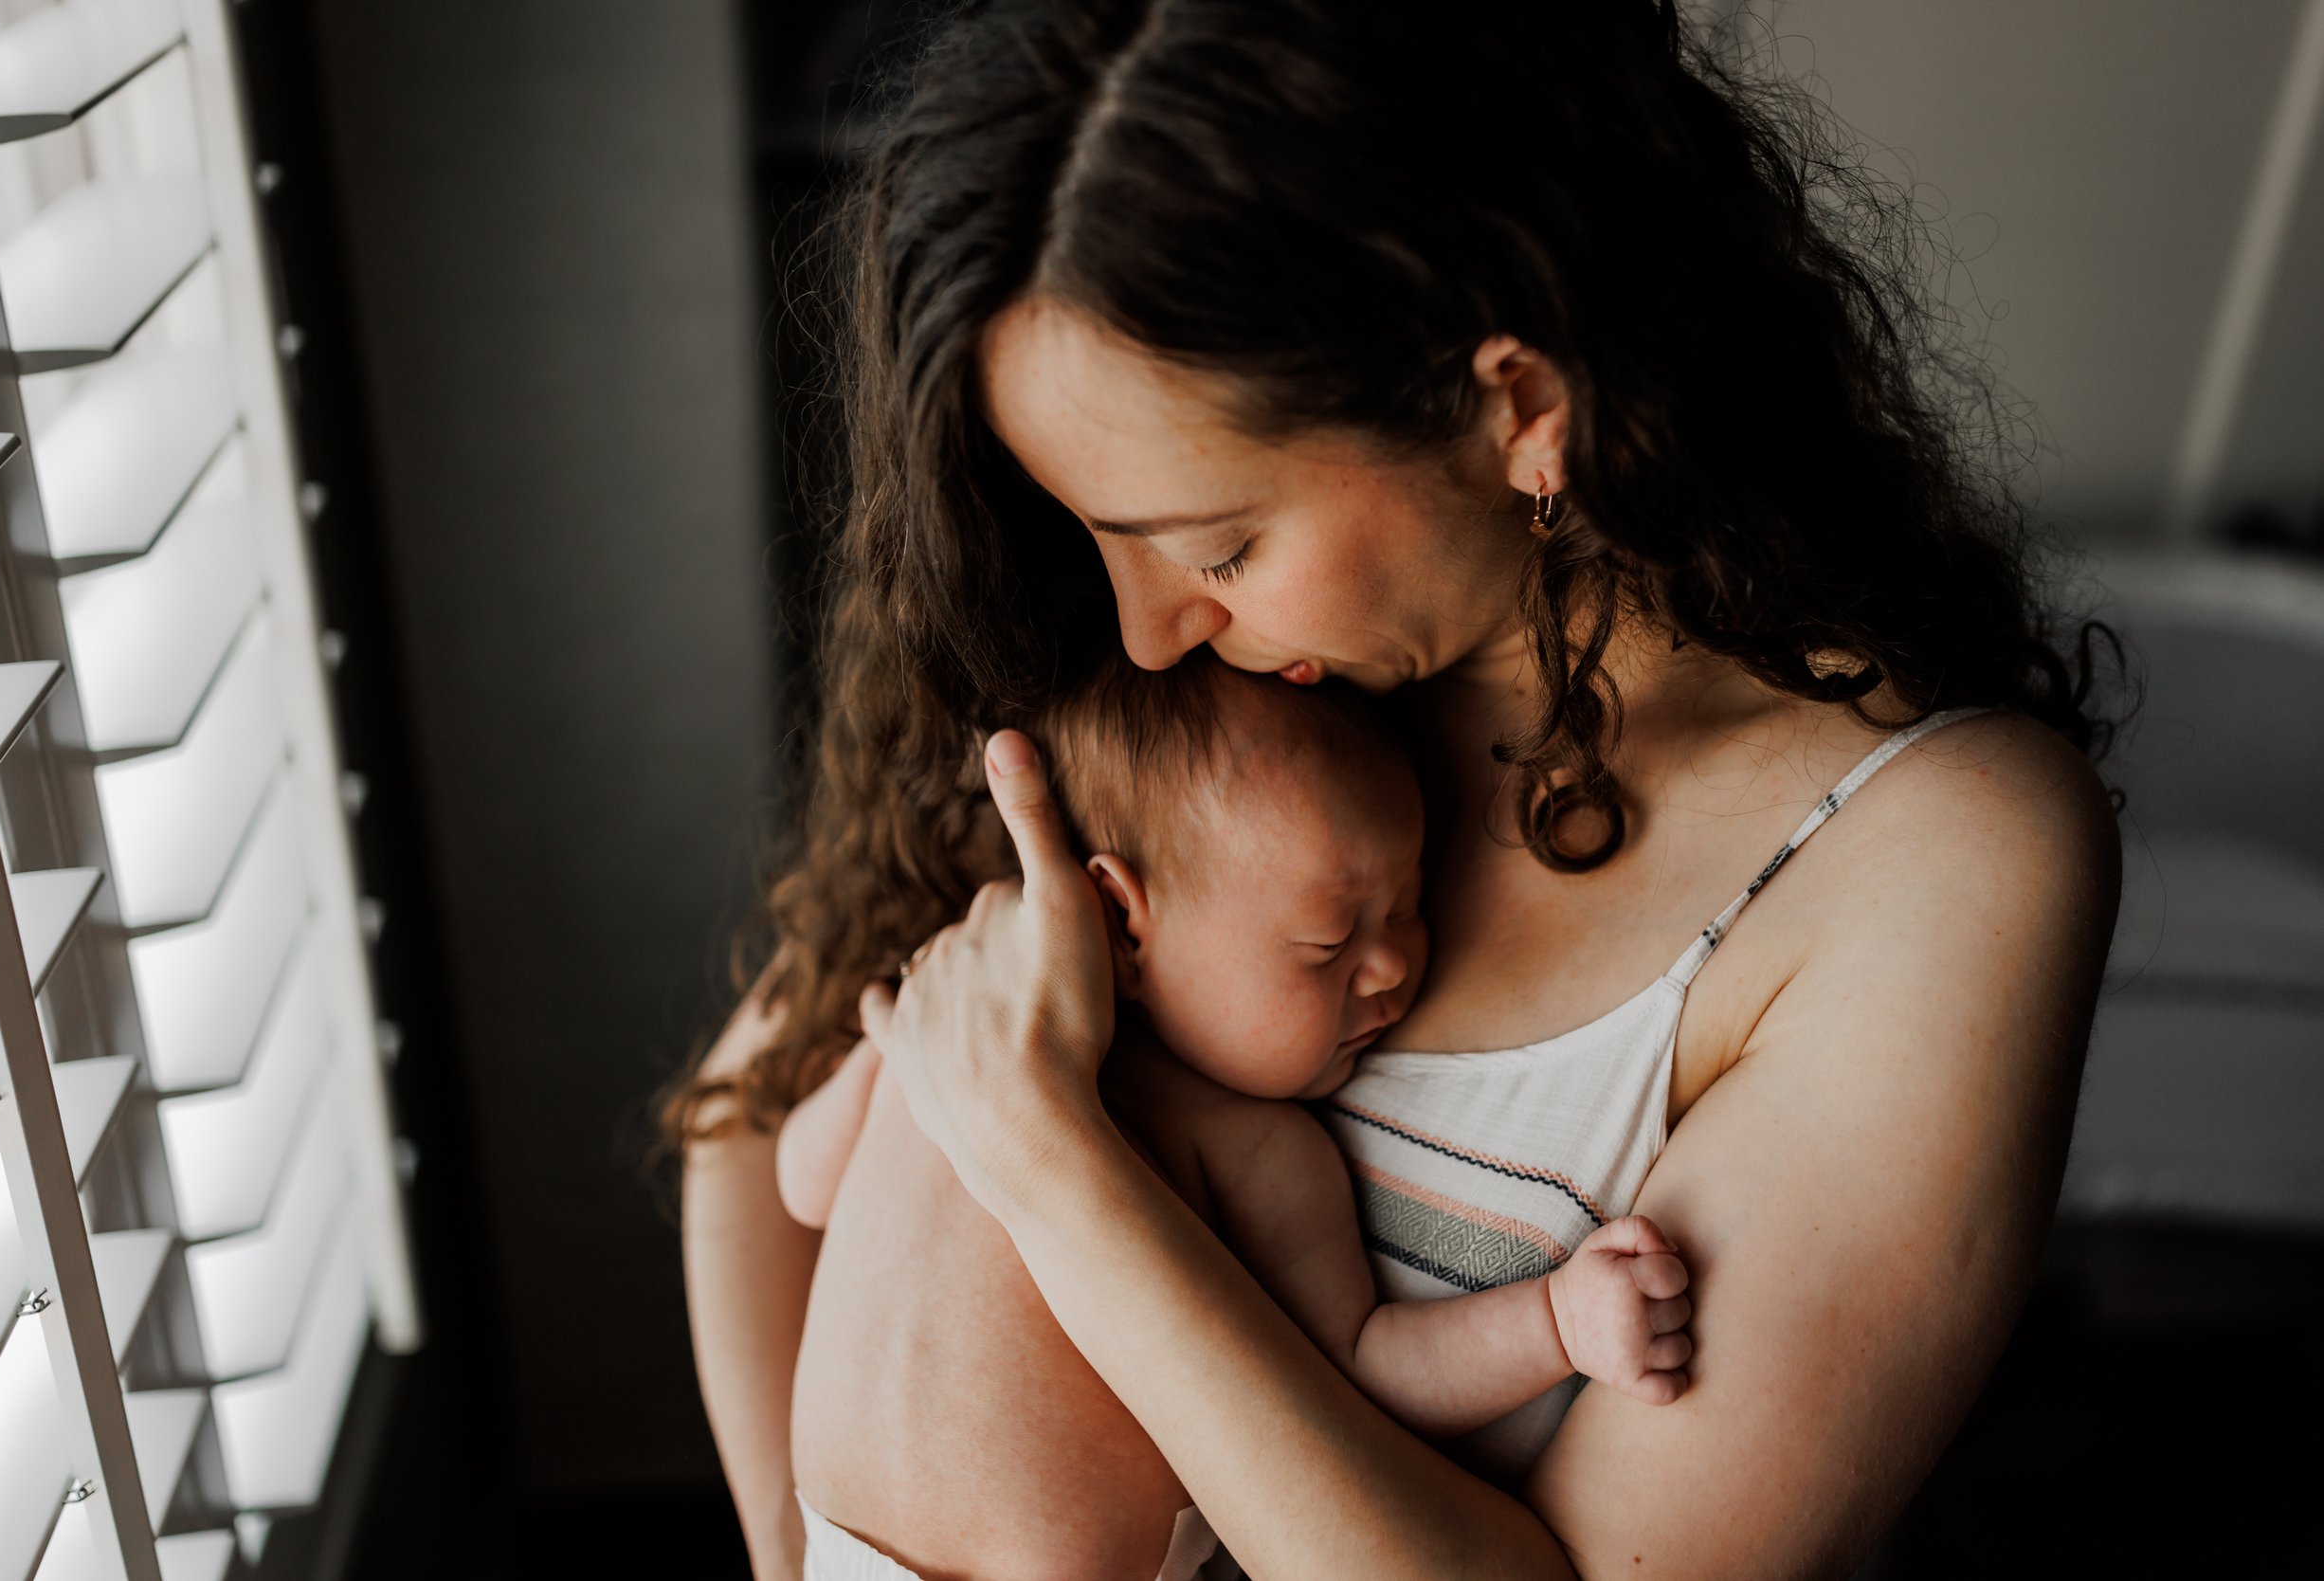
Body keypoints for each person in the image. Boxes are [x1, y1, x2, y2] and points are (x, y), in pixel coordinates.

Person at [675, 4, 2122, 1577]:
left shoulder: (1929, 866)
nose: (1144, 631)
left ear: (1517, 409)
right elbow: (763, 1118)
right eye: (1102, 539)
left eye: (1217, 543)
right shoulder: (1232, 725)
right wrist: (802, 1542)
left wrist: (1055, 1172)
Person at [775, 656, 1695, 1580]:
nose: (1390, 968)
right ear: (1123, 919)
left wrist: (1553, 1321)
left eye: (1407, 905)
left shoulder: (989, 1034)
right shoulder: (986, 1033)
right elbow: (804, 1184)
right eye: (1326, 944)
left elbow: (1358, 1381)